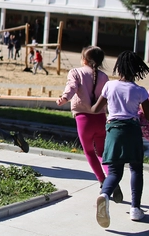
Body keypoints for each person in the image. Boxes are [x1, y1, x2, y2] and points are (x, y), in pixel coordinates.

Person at [89, 51, 149, 228]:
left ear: (119, 68)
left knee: (114, 172)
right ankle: (135, 208)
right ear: (137, 70)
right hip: (132, 131)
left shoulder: (110, 86)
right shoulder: (140, 90)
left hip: (113, 131)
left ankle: (104, 195)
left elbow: (95, 109)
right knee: (136, 169)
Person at [56, 46, 122, 202]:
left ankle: (103, 181)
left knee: (90, 153)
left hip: (83, 119)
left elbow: (71, 87)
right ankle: (112, 180)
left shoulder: (76, 72)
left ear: (84, 59)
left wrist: (64, 98)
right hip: (100, 119)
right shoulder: (104, 77)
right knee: (102, 153)